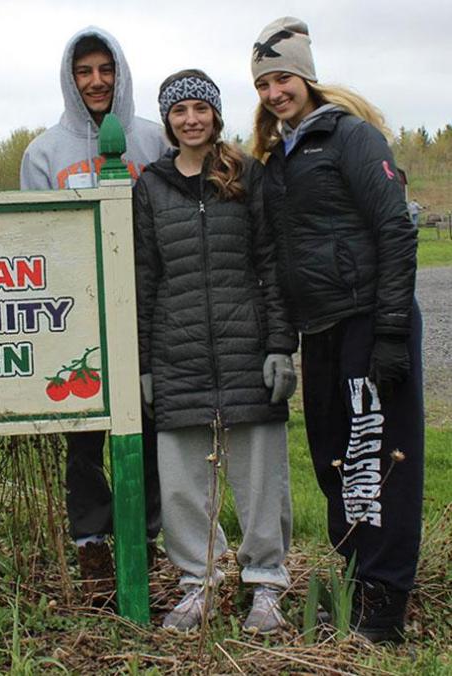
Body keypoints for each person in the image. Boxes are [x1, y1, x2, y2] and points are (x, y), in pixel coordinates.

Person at [252, 17, 424, 643]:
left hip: (366, 320)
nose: (275, 93)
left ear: (308, 77)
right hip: (317, 329)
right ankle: (353, 581)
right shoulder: (278, 159)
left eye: (284, 79)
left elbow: (395, 229)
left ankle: (385, 606)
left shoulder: (351, 137)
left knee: (378, 463)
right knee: (334, 463)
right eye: (265, 83)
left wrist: (390, 330)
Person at [134, 70, 298, 634]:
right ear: (168, 122)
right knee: (181, 482)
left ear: (216, 114)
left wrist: (281, 344)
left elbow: (272, 265)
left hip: (246, 348)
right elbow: (143, 277)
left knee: (259, 476)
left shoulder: (246, 175)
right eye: (179, 112)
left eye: (200, 109)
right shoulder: (149, 187)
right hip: (176, 353)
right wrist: (145, 364)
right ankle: (196, 583)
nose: (191, 120)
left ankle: (267, 584)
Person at [19, 25, 167, 603]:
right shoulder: (43, 153)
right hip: (77, 319)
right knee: (82, 437)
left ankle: (148, 534)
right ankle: (90, 542)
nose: (96, 81)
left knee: (152, 428)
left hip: (150, 313)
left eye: (105, 70)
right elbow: (35, 240)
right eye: (85, 72)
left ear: (121, 73)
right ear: (69, 77)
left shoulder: (153, 141)